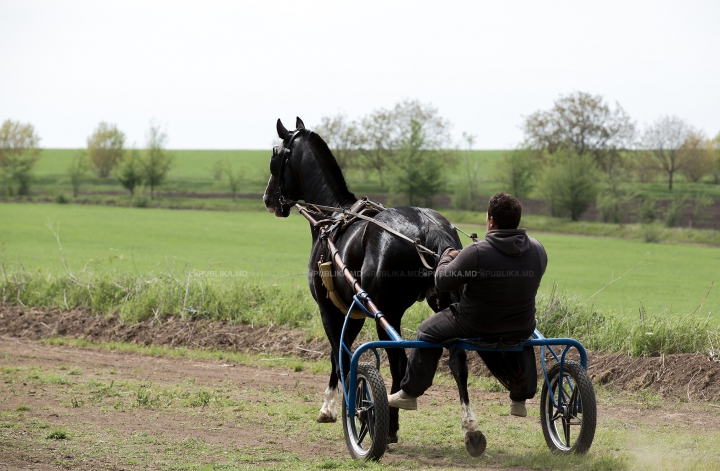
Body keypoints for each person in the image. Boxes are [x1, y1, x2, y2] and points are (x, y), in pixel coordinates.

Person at [388, 192, 548, 417]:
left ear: (491, 221)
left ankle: (410, 392)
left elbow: (442, 281)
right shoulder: (538, 250)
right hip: (521, 326)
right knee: (522, 335)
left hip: (474, 325)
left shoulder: (476, 252)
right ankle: (519, 399)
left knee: (426, 330)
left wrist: (446, 256)